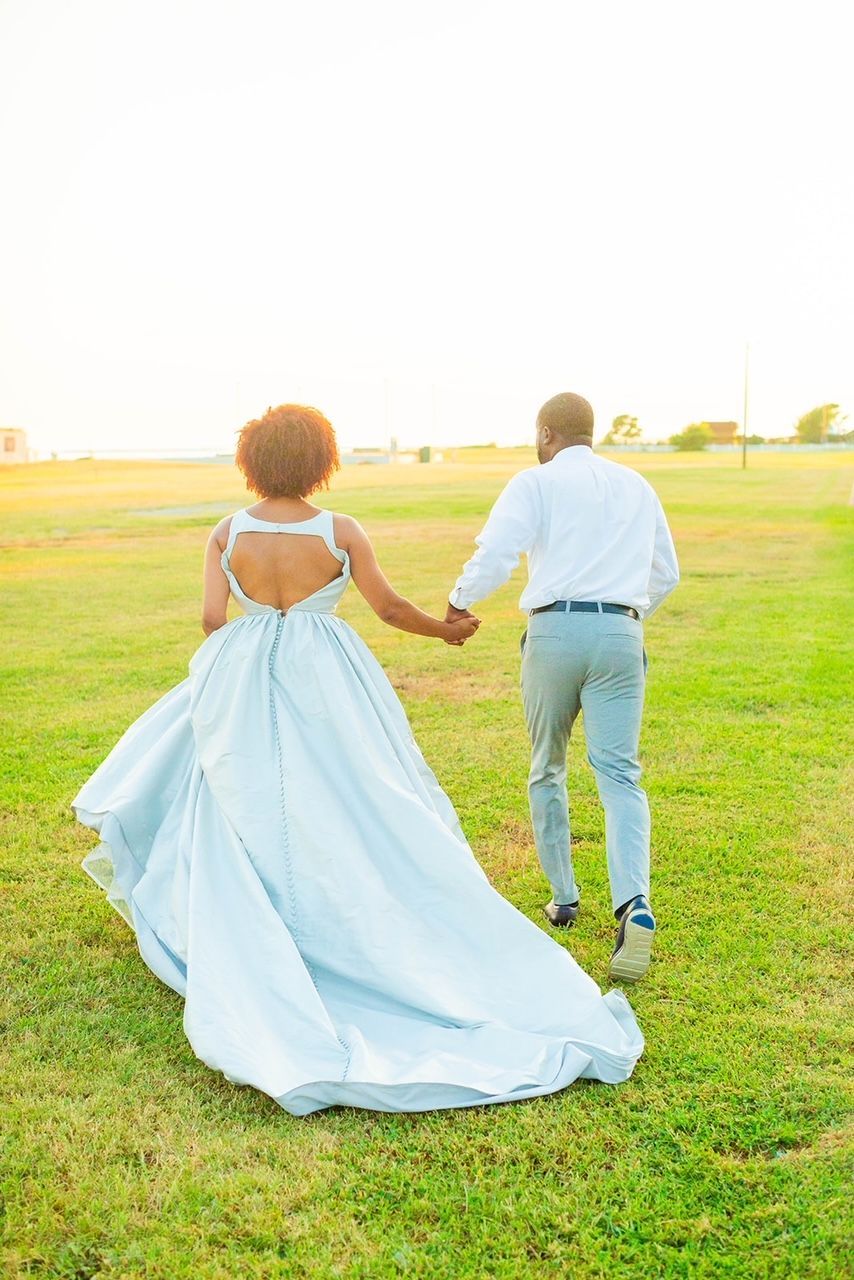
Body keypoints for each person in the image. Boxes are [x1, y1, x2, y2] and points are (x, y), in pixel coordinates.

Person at [73, 403, 642, 1117]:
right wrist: (447, 630)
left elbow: (213, 620)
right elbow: (390, 608)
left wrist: (245, 643)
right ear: (320, 462)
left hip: (248, 665)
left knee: (242, 789)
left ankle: (265, 906)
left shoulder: (228, 531)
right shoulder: (339, 531)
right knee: (352, 792)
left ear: (252, 461)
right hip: (326, 671)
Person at [446, 392, 679, 983]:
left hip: (553, 632)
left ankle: (565, 897)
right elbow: (666, 573)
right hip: (621, 632)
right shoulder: (636, 486)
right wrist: (622, 617)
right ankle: (635, 905)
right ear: (591, 432)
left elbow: (497, 553)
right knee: (620, 774)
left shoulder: (536, 482)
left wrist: (458, 603)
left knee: (547, 765)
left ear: (547, 432)